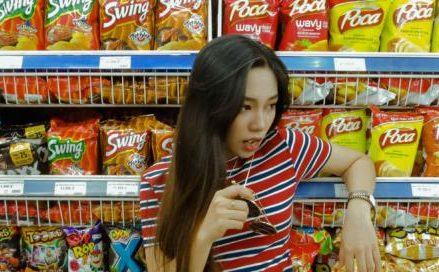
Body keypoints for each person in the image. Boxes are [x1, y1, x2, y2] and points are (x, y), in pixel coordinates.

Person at [140, 35, 379, 272]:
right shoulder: (159, 181)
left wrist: (359, 211)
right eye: (245, 107)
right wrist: (203, 236)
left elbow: (358, 162)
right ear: (209, 105)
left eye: (271, 105)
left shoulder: (285, 147)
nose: (261, 124)